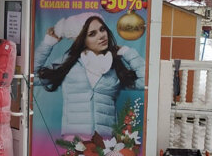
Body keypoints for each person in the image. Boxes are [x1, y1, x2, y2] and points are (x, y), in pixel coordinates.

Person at [34, 12, 145, 140]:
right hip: (74, 140)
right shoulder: (69, 63)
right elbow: (32, 76)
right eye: (92, 34)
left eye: (102, 29)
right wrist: (47, 44)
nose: (101, 35)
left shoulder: (114, 65)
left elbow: (145, 81)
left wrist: (127, 52)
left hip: (105, 141)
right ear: (82, 39)